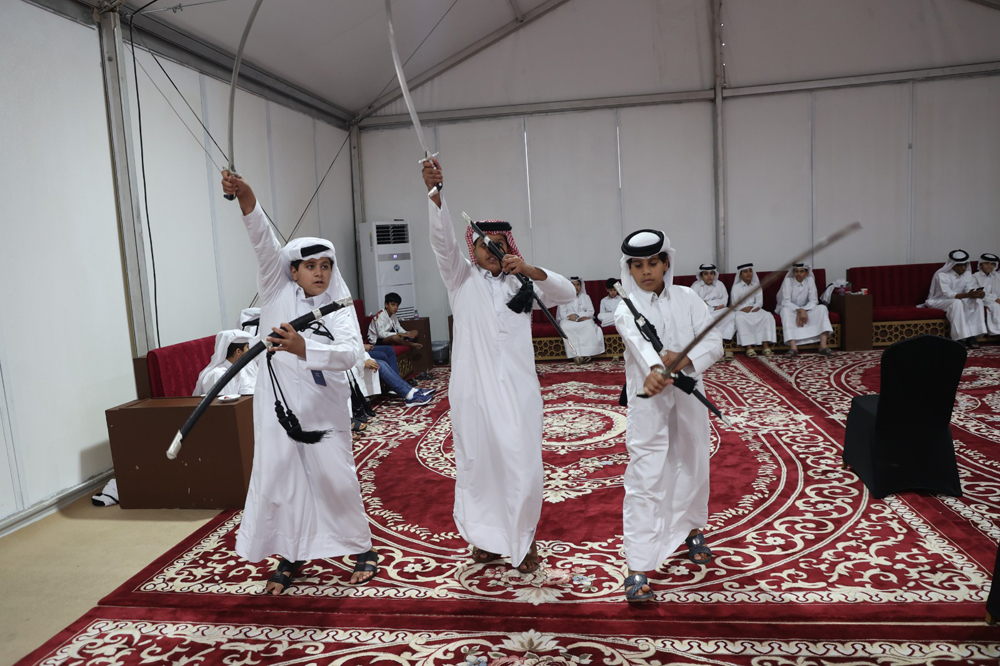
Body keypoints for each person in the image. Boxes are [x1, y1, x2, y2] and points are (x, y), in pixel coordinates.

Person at [221, 170, 377, 594]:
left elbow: (349, 353)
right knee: (282, 478)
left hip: (323, 410)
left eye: (326, 265)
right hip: (276, 409)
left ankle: (362, 548)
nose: (320, 272)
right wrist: (247, 195)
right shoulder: (275, 290)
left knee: (334, 476)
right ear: (293, 270)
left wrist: (303, 348)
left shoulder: (340, 306)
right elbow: (260, 238)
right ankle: (292, 554)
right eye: (311, 266)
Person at [422, 158, 576, 574]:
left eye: (498, 244)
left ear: (508, 246)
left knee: (521, 462)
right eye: (482, 243)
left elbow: (567, 292)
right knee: (478, 464)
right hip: (473, 392)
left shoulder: (520, 283)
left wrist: (526, 269)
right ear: (472, 248)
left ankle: (524, 539)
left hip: (517, 391)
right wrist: (435, 195)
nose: (490, 250)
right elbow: (441, 243)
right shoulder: (461, 280)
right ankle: (486, 539)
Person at [613, 230, 724, 603]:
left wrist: (684, 359)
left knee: (693, 463)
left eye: (653, 263)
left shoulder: (689, 298)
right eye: (638, 265)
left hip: (691, 396)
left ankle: (692, 529)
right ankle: (638, 566)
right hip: (649, 402)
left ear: (666, 263)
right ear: (630, 269)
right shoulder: (624, 308)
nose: (647, 272)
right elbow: (640, 344)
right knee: (645, 475)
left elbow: (714, 342)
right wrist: (656, 369)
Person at [924, 249, 987, 349]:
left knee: (977, 301)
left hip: (960, 299)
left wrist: (978, 294)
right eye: (960, 265)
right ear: (952, 264)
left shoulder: (967, 274)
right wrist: (968, 295)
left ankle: (972, 336)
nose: (963, 268)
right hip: (939, 300)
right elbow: (948, 294)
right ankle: (959, 338)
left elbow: (970, 288)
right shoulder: (942, 275)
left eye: (965, 265)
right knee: (956, 303)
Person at [777, 263, 833, 356]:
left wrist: (804, 310)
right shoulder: (788, 281)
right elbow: (786, 302)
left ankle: (823, 346)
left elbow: (814, 300)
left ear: (806, 273)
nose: (799, 273)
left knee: (822, 308)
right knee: (785, 311)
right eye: (796, 271)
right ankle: (793, 347)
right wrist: (800, 310)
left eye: (801, 271)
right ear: (793, 272)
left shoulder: (810, 280)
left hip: (807, 309)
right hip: (791, 309)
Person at [729, 263, 775, 358]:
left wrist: (754, 308)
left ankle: (765, 345)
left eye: (750, 271)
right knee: (740, 319)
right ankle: (748, 347)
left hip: (755, 309)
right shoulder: (736, 287)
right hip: (741, 311)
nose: (748, 274)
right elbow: (734, 303)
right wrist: (743, 308)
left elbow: (759, 302)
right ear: (740, 274)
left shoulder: (756, 285)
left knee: (767, 315)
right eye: (745, 272)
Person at [691, 264, 735, 360]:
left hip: (719, 310)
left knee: (730, 313)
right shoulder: (696, 286)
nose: (709, 276)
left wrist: (718, 305)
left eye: (711, 273)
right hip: (704, 311)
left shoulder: (719, 284)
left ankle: (726, 346)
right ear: (701, 276)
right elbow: (694, 302)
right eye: (706, 274)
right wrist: (710, 305)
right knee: (705, 319)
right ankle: (713, 350)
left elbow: (725, 299)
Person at [193, 329, 256, 396]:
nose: (249, 351)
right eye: (247, 347)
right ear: (238, 351)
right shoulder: (218, 375)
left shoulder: (241, 369)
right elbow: (222, 404)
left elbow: (248, 392)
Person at [557, 277, 605, 363]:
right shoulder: (564, 298)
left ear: (581, 286)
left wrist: (579, 317)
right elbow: (562, 314)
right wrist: (574, 318)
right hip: (568, 321)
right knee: (565, 327)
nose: (576, 287)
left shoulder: (586, 297)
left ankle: (587, 354)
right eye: (573, 285)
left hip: (584, 320)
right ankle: (575, 355)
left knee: (589, 326)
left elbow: (591, 311)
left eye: (578, 285)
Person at [974, 252, 1000, 336]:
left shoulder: (997, 276)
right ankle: (997, 332)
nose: (989, 266)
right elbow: (977, 292)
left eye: (992, 264)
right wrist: (995, 299)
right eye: (986, 263)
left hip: (996, 299)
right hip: (981, 299)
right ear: (980, 265)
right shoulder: (975, 276)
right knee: (995, 306)